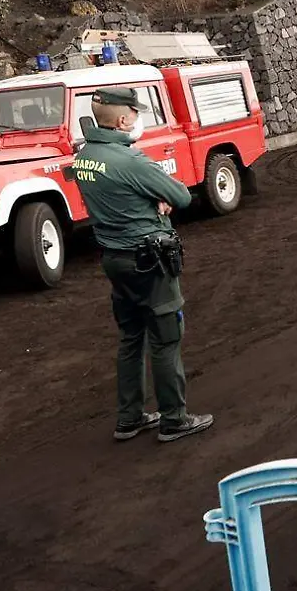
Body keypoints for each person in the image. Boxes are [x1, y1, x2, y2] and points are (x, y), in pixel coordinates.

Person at [69, 87, 215, 444]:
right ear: (123, 119)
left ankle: (129, 418)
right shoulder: (131, 160)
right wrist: (159, 199)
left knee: (130, 337)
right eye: (134, 114)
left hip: (114, 258)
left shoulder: (85, 156)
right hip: (148, 258)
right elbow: (181, 195)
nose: (136, 120)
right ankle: (173, 419)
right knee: (165, 340)